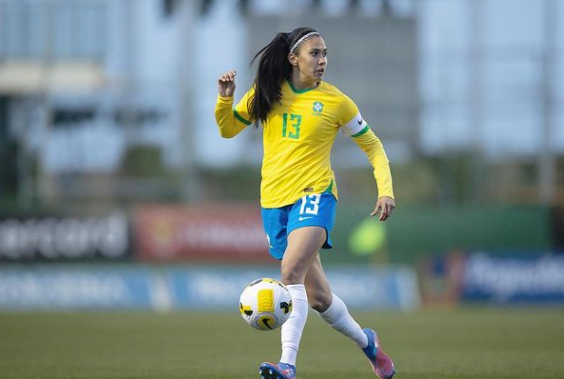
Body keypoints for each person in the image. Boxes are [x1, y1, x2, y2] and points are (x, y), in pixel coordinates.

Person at [215, 27, 396, 379]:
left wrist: (385, 189)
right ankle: (369, 344)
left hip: (316, 195)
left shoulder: (336, 101)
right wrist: (225, 98)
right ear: (293, 59)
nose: (323, 60)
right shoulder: (266, 94)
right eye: (315, 53)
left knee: (290, 272)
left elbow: (373, 146)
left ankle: (287, 365)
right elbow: (226, 129)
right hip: (273, 202)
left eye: (325, 53)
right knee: (319, 300)